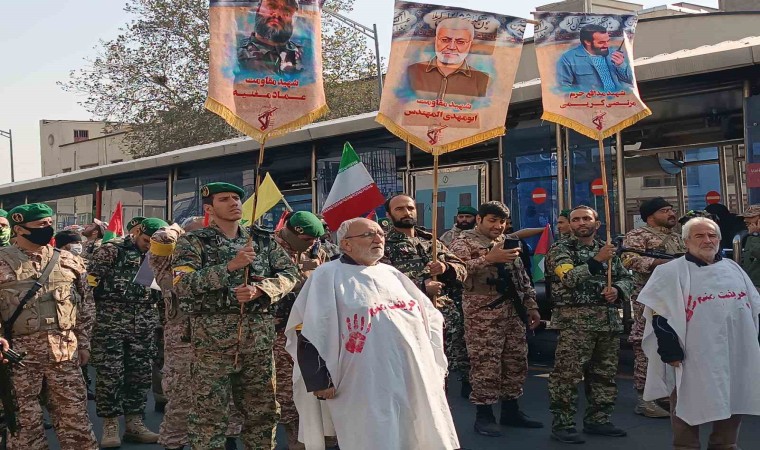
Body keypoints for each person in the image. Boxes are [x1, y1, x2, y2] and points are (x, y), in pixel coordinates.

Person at [285, 217, 460, 450]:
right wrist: (319, 378)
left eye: (380, 234)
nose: (378, 239)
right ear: (346, 244)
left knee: (414, 431)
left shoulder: (393, 274)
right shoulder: (327, 276)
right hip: (361, 378)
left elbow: (429, 316)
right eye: (368, 234)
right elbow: (308, 330)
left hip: (410, 374)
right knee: (373, 435)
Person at [172, 182, 299, 449]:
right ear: (209, 208)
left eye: (236, 198)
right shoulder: (193, 242)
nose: (233, 203)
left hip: (257, 341)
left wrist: (261, 290)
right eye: (224, 199)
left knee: (263, 413)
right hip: (212, 344)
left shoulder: (261, 240)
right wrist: (230, 266)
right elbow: (182, 284)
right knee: (209, 416)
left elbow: (290, 274)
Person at [638, 217, 760, 450]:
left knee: (734, 397)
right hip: (692, 352)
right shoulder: (670, 271)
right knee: (686, 400)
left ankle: (725, 444)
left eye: (712, 235)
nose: (707, 240)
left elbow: (753, 307)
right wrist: (669, 348)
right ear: (686, 241)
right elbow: (659, 313)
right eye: (700, 236)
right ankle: (686, 446)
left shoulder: (733, 268)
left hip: (735, 351)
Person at [0, 203, 98, 450]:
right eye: (40, 224)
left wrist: (83, 343)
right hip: (18, 359)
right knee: (25, 430)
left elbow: (86, 304)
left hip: (64, 355)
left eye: (49, 223)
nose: (48, 228)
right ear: (19, 229)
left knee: (77, 426)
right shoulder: (2, 262)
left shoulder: (69, 261)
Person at [449, 201, 543, 437]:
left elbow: (521, 277)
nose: (498, 226)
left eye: (502, 222)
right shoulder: (463, 242)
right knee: (485, 364)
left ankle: (511, 410)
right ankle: (484, 415)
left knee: (515, 361)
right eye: (492, 220)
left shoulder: (507, 242)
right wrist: (488, 259)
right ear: (479, 219)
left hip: (512, 311)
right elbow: (456, 271)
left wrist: (531, 305)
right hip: (482, 313)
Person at [150, 216, 242, 450]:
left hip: (219, 335)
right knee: (181, 397)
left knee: (225, 397)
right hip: (183, 338)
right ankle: (174, 443)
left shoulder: (220, 257)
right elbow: (161, 238)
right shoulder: (167, 261)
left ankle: (227, 440)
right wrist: (182, 232)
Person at [546, 205, 634, 444]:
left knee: (604, 375)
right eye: (576, 220)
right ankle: (563, 424)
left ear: (597, 224)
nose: (581, 223)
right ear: (570, 225)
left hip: (607, 321)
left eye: (587, 218)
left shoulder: (606, 249)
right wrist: (597, 260)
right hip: (575, 323)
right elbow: (569, 278)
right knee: (567, 375)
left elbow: (627, 278)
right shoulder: (561, 249)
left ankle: (598, 419)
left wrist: (617, 290)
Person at [380, 195, 470, 397]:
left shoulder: (430, 240)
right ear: (389, 214)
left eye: (410, 208)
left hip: (441, 317)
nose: (406, 213)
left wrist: (445, 267)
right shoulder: (384, 244)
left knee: (440, 373)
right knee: (413, 377)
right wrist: (421, 285)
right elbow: (382, 280)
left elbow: (462, 268)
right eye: (399, 209)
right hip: (407, 319)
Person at [89, 217, 167, 448]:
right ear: (138, 232)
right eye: (146, 240)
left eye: (154, 244)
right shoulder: (111, 251)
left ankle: (135, 424)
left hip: (144, 323)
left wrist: (164, 323)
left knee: (140, 375)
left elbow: (164, 292)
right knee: (110, 375)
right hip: (109, 323)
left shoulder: (161, 254)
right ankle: (110, 425)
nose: (149, 246)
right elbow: (88, 286)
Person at [271, 211, 336, 450]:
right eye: (307, 240)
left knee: (316, 383)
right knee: (287, 390)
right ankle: (295, 440)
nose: (311, 244)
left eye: (315, 239)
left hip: (311, 328)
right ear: (292, 232)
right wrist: (302, 274)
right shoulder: (268, 249)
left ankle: (323, 436)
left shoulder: (319, 250)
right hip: (278, 330)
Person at [620, 197, 685, 419]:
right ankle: (644, 398)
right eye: (664, 210)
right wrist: (662, 263)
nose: (671, 213)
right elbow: (628, 259)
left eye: (671, 209)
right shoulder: (638, 235)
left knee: (673, 344)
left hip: (675, 298)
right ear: (650, 216)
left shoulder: (677, 237)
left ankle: (666, 393)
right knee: (645, 343)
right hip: (649, 299)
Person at [407, 17, 490, 99]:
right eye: (445, 40)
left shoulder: (483, 81)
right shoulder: (412, 71)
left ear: (470, 45)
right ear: (436, 40)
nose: (451, 47)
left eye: (460, 42)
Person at [556, 24, 633, 92]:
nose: (606, 45)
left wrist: (620, 65)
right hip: (591, 101)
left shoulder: (614, 53)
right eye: (601, 42)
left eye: (607, 41)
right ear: (587, 42)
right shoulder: (568, 58)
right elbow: (563, 88)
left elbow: (630, 80)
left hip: (618, 99)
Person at [237, 0, 303, 75]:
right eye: (271, 6)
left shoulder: (305, 57)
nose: (277, 14)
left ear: (294, 18)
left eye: (286, 10)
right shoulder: (235, 56)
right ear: (258, 10)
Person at [738, 205, 760, 289]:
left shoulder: (754, 235)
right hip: (750, 284)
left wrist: (755, 234)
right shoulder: (751, 235)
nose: (745, 220)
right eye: (745, 217)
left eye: (751, 217)